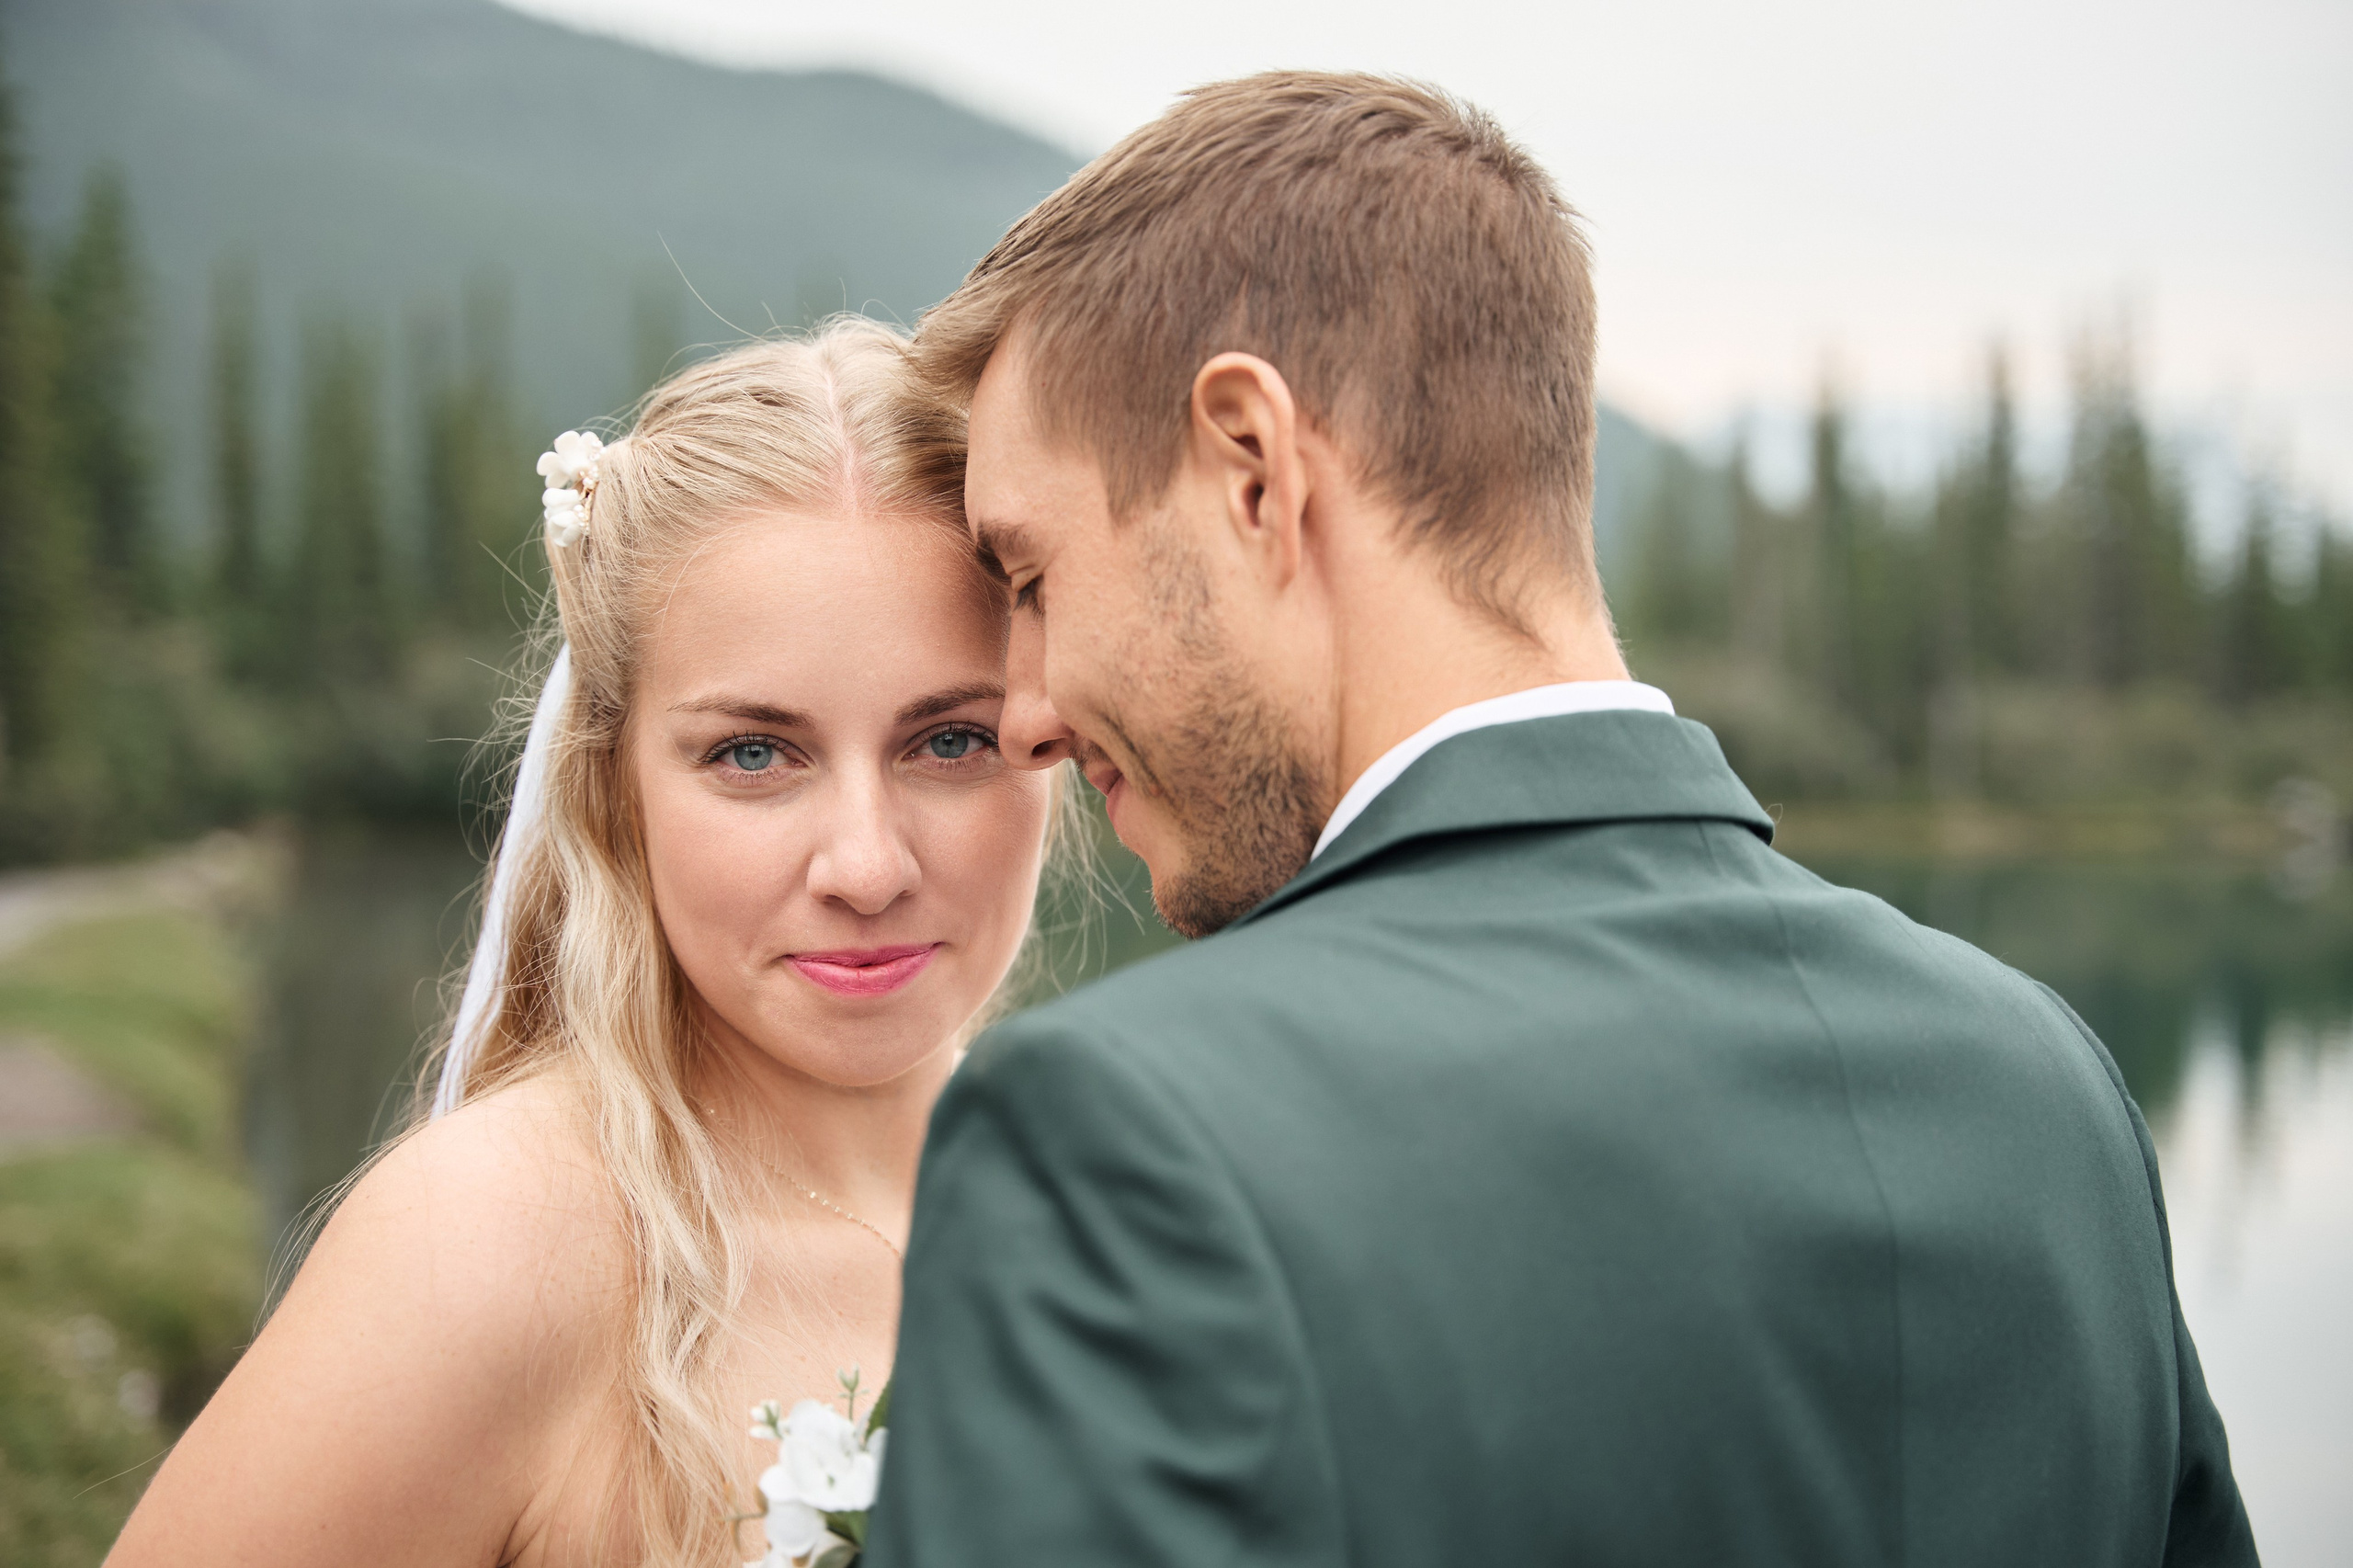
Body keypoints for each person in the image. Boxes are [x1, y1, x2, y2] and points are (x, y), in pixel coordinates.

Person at [864, 73, 2258, 1567]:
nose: (1027, 711)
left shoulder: (1117, 1140)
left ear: (1254, 470)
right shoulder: (2047, 1088)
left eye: (1031, 576)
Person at [107, 320, 1065, 1568]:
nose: (868, 865)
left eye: (949, 741)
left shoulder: (1097, 1197)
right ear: (617, 785)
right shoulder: (487, 1246)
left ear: (1053, 734)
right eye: (754, 754)